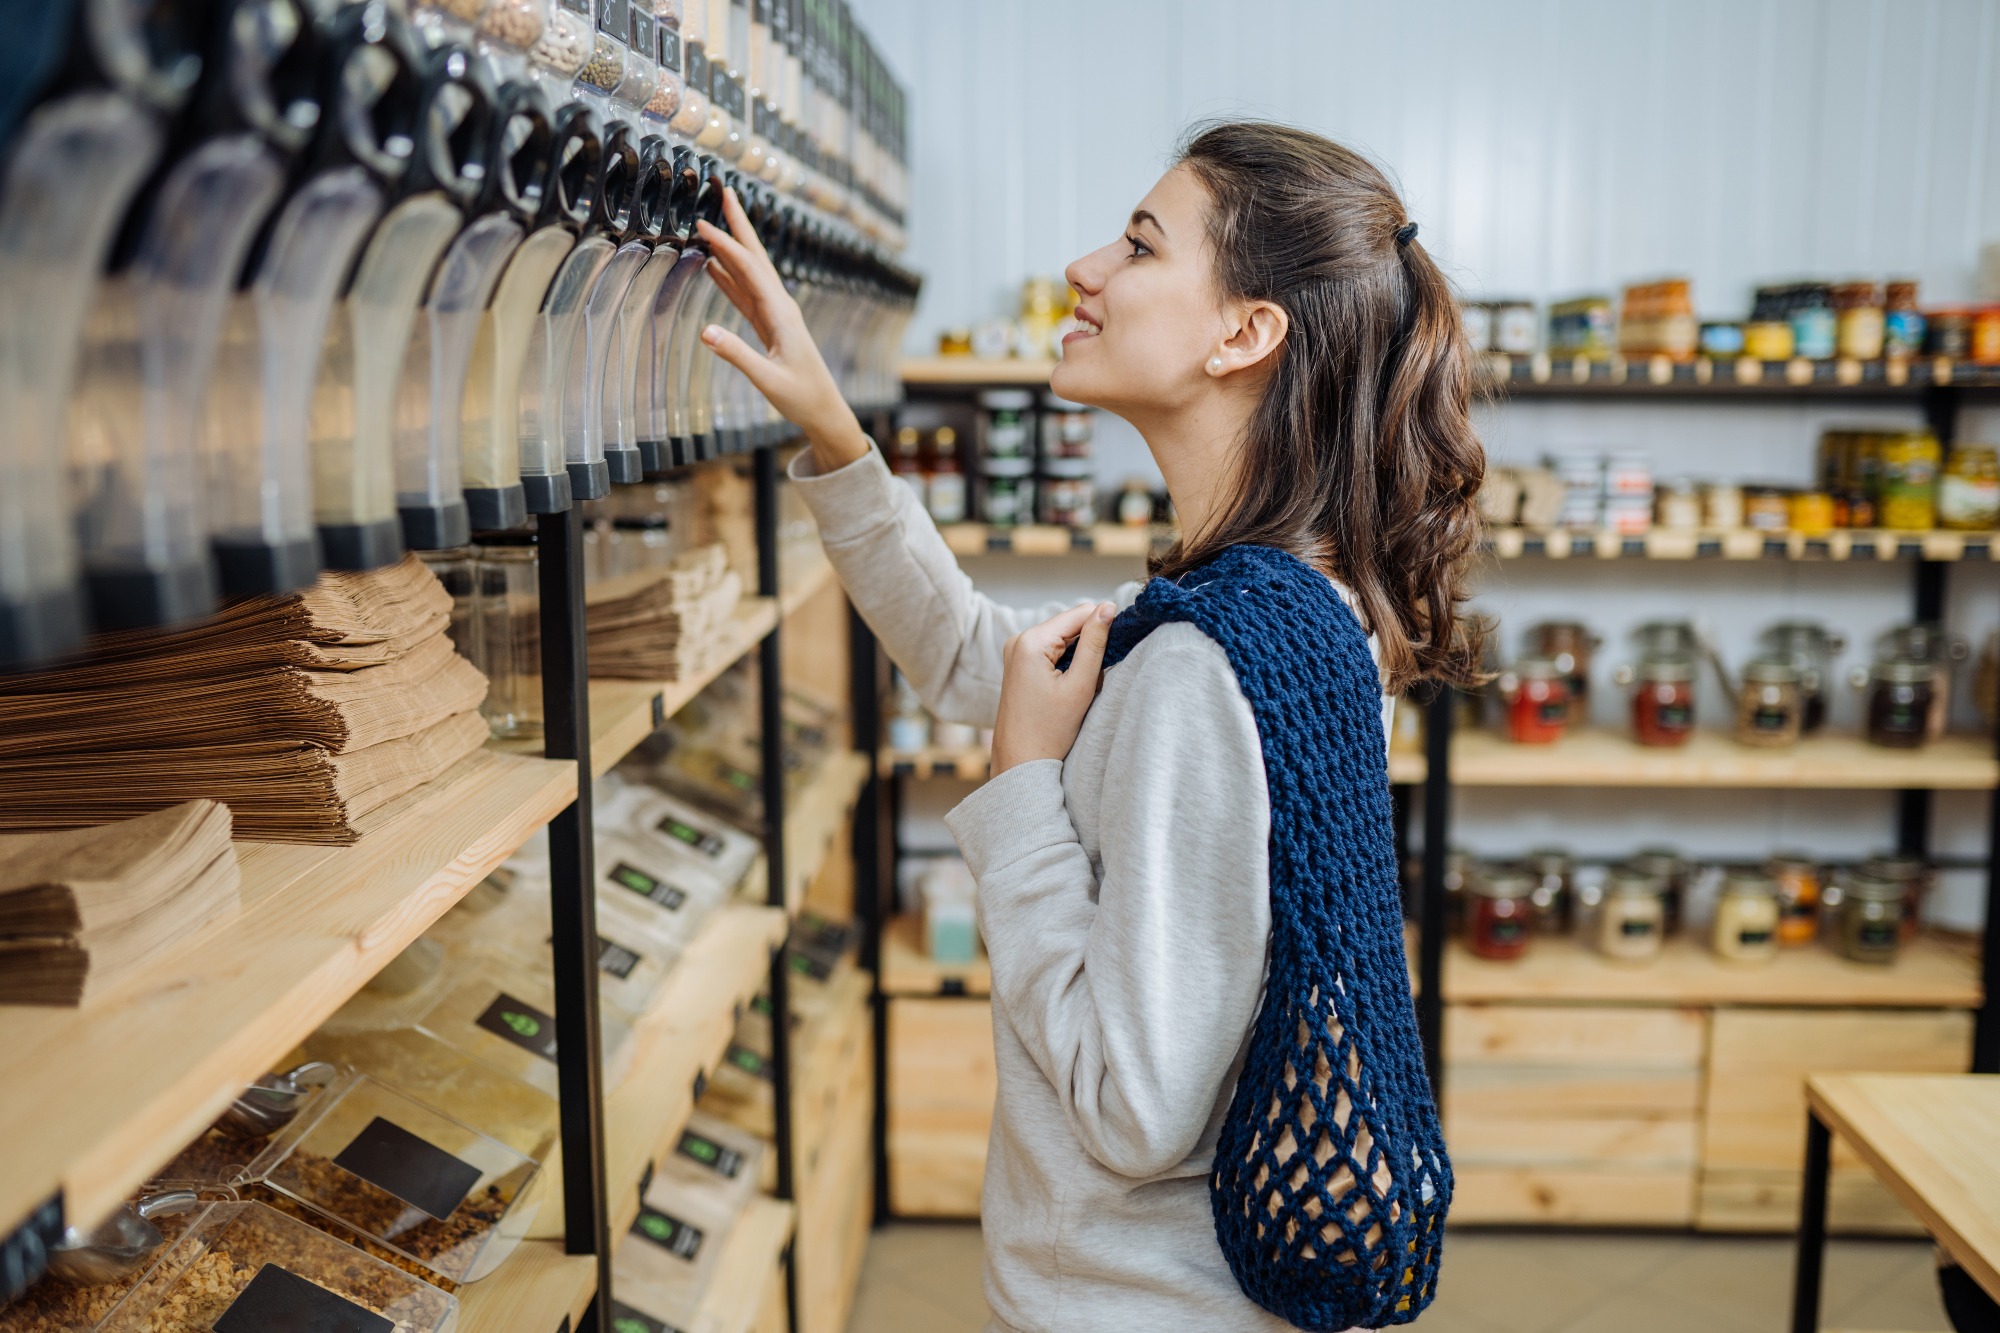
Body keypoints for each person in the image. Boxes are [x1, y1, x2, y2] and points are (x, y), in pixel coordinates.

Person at [697, 121, 1485, 1332]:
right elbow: (979, 658)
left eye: (1137, 244)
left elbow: (1130, 1110)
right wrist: (838, 440)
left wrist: (1018, 786)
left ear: (1243, 332)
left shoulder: (1199, 666)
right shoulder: (1282, 606)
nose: (1083, 267)